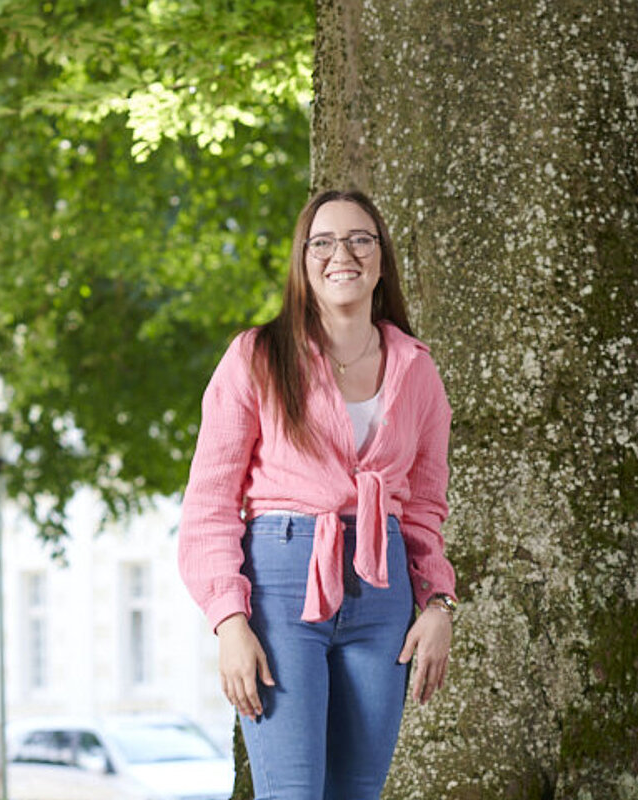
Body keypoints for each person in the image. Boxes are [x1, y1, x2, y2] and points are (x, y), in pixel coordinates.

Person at [177, 188, 459, 799]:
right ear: (303, 261)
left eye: (361, 239)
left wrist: (439, 605)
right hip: (282, 588)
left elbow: (425, 508)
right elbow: (209, 505)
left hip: (382, 594)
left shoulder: (418, 370)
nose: (343, 254)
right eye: (324, 242)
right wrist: (229, 621)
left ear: (382, 260)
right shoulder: (256, 357)